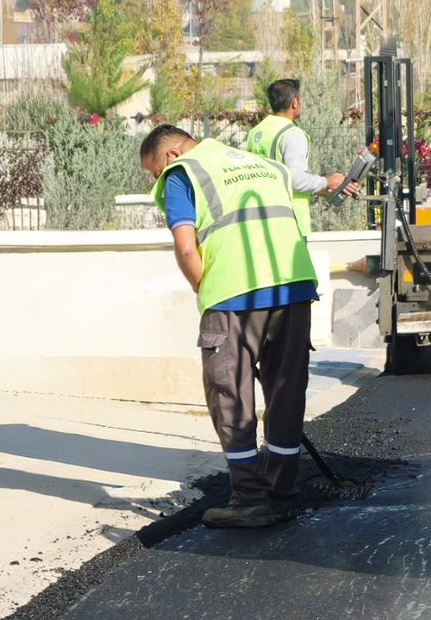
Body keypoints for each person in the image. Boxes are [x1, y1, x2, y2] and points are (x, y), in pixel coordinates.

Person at [142, 123, 320, 529]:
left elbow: (186, 246)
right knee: (286, 392)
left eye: (154, 172)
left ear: (170, 156)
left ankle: (251, 501)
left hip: (234, 297)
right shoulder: (265, 165)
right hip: (292, 288)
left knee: (230, 397)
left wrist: (207, 289)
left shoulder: (184, 173)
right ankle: (283, 493)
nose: (158, 179)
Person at [245, 77, 345, 233]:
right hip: (288, 224)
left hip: (261, 219)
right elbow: (295, 180)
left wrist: (317, 189)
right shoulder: (293, 134)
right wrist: (327, 182)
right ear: (295, 102)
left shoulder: (256, 132)